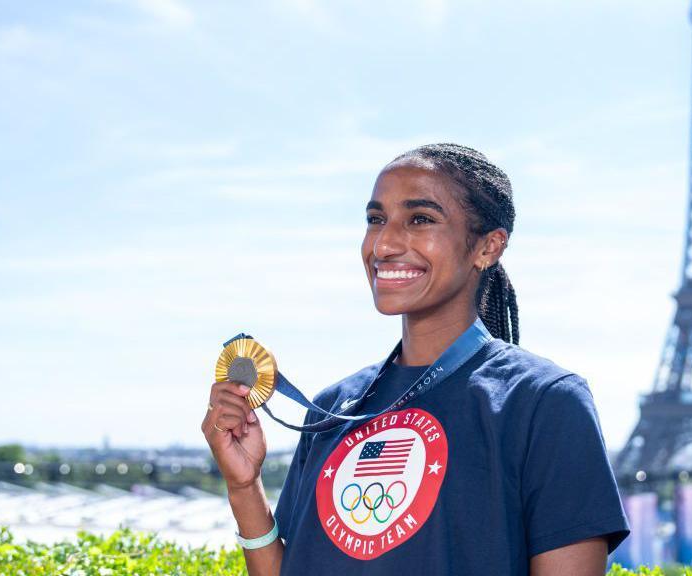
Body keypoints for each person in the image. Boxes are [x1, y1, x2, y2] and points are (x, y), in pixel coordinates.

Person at [202, 143, 630, 575]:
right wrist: (244, 486)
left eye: (420, 219)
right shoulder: (332, 407)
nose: (384, 243)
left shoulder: (544, 402)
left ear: (488, 247)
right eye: (376, 220)